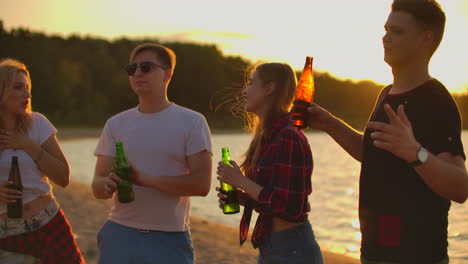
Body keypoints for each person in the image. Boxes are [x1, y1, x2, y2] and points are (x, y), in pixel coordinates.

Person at [306, 1, 468, 263]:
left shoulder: (437, 101)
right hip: (373, 254)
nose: (385, 38)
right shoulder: (385, 94)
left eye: (397, 32)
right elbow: (374, 153)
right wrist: (329, 123)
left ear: (426, 39)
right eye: (385, 30)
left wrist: (415, 152)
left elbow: (460, 187)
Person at [92, 43, 212, 264]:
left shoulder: (192, 122)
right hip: (119, 234)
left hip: (169, 239)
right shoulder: (115, 124)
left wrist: (143, 180)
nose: (137, 73)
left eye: (146, 67)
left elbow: (202, 185)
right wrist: (106, 185)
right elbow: (97, 185)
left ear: (167, 74)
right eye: (132, 69)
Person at [216, 62, 323, 263]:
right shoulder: (268, 136)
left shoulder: (288, 136)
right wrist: (243, 198)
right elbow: (274, 199)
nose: (244, 91)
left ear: (269, 88)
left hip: (292, 250)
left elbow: (290, 208)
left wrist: (241, 181)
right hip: (272, 246)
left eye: (251, 83)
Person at [0, 58, 85, 263]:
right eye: (19, 88)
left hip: (49, 222)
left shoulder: (38, 123)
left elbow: (63, 177)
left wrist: (28, 145)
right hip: (8, 233)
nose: (27, 94)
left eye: (28, 87)